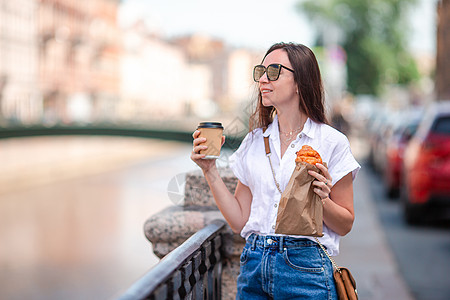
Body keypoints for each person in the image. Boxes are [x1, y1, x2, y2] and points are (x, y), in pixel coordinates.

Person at [191, 42, 360, 299]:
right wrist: (210, 170)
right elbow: (239, 220)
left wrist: (322, 199)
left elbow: (345, 223)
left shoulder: (331, 142)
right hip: (254, 266)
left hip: (305, 269)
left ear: (299, 82)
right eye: (261, 72)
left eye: (274, 72)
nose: (262, 80)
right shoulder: (254, 141)